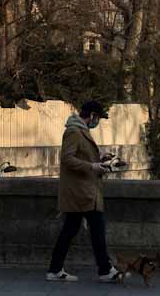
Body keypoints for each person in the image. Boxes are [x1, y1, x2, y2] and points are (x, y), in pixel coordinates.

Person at [47, 99, 123, 283]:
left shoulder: (80, 130)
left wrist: (99, 159)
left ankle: (55, 269)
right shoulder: (74, 131)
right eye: (98, 118)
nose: (98, 122)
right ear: (92, 115)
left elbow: (79, 156)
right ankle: (105, 270)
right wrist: (92, 166)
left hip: (82, 191)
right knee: (96, 229)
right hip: (82, 192)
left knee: (70, 230)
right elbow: (67, 159)